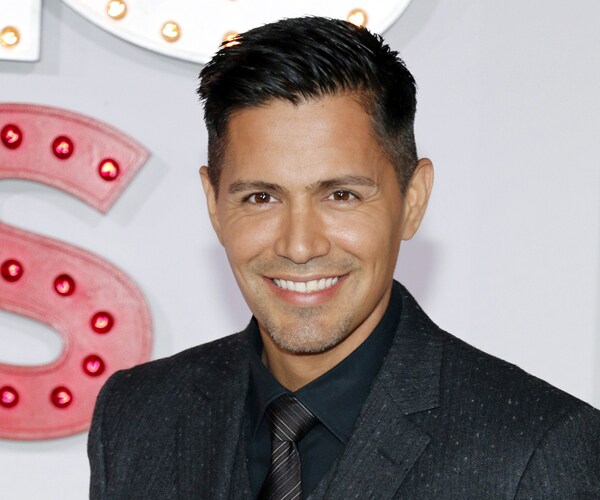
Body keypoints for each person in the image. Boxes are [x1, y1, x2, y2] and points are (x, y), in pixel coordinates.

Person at [88, 16, 600, 499]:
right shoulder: (135, 416)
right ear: (214, 205)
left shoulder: (534, 449)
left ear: (413, 201)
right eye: (261, 197)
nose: (299, 245)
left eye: (341, 195)